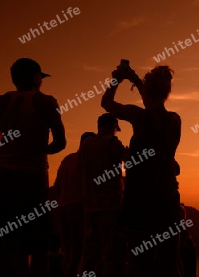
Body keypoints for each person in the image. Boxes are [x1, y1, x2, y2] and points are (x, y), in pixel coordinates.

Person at [101, 64, 182, 277]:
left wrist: (117, 79)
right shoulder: (175, 120)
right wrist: (136, 80)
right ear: (168, 92)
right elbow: (152, 105)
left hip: (140, 202)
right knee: (169, 265)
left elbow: (106, 103)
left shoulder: (138, 116)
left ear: (146, 92)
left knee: (139, 265)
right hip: (168, 200)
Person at [0, 58, 66, 277]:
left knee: (12, 241)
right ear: (36, 77)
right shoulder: (45, 101)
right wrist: (39, 148)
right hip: (34, 178)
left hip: (5, 178)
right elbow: (60, 142)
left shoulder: (3, 101)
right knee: (39, 241)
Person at [79, 114, 125, 276]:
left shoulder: (85, 145)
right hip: (110, 206)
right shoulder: (112, 143)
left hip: (89, 208)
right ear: (113, 126)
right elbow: (131, 160)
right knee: (113, 254)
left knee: (90, 255)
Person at [54, 132, 96, 276]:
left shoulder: (67, 159)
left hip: (63, 207)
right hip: (78, 208)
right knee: (78, 251)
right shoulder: (86, 162)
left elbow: (57, 187)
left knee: (67, 250)